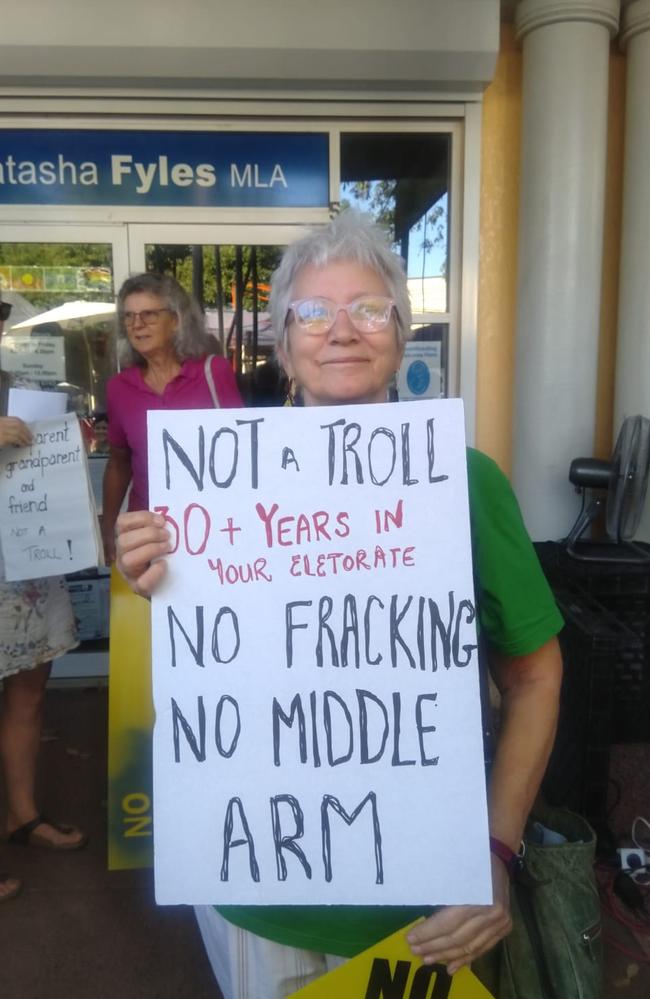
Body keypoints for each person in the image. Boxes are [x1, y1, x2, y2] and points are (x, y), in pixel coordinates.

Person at [114, 213, 564, 998]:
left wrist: (495, 850)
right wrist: (151, 567)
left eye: (369, 307)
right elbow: (210, 646)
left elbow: (534, 677)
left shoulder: (467, 480)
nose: (342, 331)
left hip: (426, 899)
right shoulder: (221, 485)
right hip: (259, 886)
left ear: (400, 330)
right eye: (313, 312)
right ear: (284, 345)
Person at [0, 293, 86, 906]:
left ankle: (23, 818)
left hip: (25, 559)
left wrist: (61, 443)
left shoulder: (11, 384)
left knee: (30, 690)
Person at [102, 273, 242, 562]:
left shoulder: (213, 373)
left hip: (211, 530)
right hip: (146, 535)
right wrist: (107, 525)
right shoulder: (118, 388)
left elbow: (243, 449)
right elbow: (119, 462)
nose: (137, 325)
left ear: (176, 320)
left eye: (149, 315)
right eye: (129, 317)